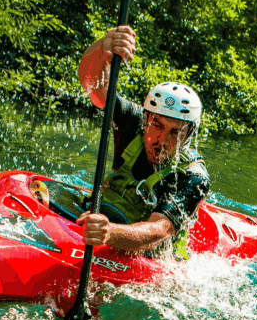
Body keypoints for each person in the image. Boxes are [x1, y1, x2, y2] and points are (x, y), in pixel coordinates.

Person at [74, 25, 210, 259]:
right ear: (146, 118)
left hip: (153, 256)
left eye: (175, 133)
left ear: (189, 135)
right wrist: (103, 49)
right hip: (109, 222)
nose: (163, 140)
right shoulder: (133, 121)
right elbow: (94, 87)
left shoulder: (194, 177)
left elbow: (159, 230)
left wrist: (109, 233)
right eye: (157, 126)